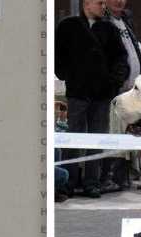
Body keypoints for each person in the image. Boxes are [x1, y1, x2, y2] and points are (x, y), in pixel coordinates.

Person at [55, 0, 128, 198]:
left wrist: (114, 83)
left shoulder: (109, 29)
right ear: (86, 3)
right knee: (72, 138)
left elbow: (121, 58)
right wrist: (67, 75)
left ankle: (91, 182)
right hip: (78, 92)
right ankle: (67, 181)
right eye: (99, 2)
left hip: (102, 94)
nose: (103, 6)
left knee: (96, 138)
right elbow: (58, 56)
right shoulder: (68, 26)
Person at [104, 0, 141, 191]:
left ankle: (122, 177)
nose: (120, 1)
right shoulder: (104, 23)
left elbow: (135, 53)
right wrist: (115, 81)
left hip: (129, 91)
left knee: (126, 135)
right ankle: (109, 176)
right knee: (112, 135)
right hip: (114, 91)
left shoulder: (126, 21)